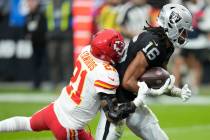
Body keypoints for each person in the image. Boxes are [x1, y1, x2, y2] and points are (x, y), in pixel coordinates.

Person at [0, 29, 170, 140]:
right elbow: (113, 114)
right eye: (118, 47)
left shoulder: (86, 51)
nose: (121, 50)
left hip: (55, 110)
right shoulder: (107, 73)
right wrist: (140, 98)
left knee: (26, 123)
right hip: (69, 127)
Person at [95, 4, 192, 140]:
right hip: (116, 99)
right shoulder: (154, 45)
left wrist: (177, 92)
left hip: (133, 98)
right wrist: (152, 92)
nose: (185, 35)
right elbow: (128, 82)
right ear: (171, 26)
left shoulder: (166, 45)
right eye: (182, 30)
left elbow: (161, 82)